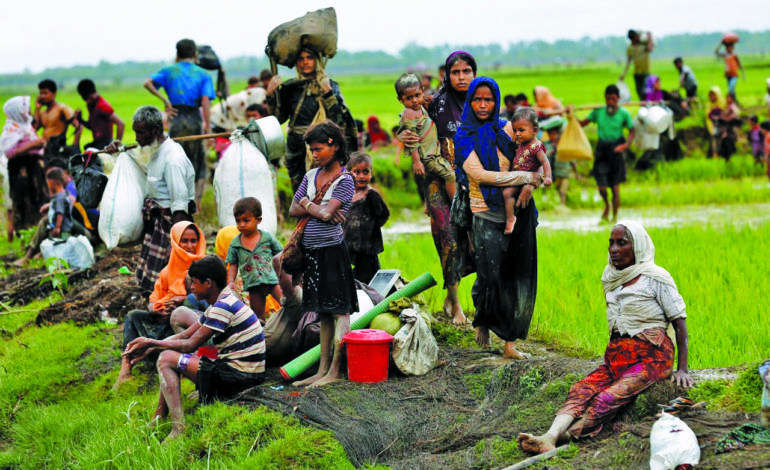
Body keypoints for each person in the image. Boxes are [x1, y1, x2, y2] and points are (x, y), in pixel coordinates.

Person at [517, 221, 693, 454]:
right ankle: (549, 435)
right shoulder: (611, 277)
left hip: (652, 358)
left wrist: (682, 369)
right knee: (581, 389)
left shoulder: (655, 277)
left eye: (622, 243)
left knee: (606, 398)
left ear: (638, 247)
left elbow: (679, 322)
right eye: (611, 243)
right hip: (617, 358)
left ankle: (563, 438)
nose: (614, 249)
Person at [123, 255, 266, 440]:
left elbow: (190, 344)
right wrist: (150, 347)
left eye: (194, 282)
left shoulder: (222, 307)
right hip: (241, 371)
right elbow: (184, 335)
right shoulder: (221, 302)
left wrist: (153, 343)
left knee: (166, 359)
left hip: (241, 376)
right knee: (168, 354)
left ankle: (178, 429)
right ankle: (159, 417)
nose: (191, 287)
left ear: (208, 283)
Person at [454, 76, 543, 358]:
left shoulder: (508, 128)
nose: (483, 105)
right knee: (490, 275)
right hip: (485, 212)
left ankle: (509, 343)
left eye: (489, 99)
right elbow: (480, 176)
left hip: (519, 210)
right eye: (477, 99)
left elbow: (535, 156)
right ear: (470, 102)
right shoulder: (463, 136)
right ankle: (482, 319)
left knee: (517, 276)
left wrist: (530, 184)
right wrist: (525, 177)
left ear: (496, 101)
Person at [288, 121, 357, 387]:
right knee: (323, 312)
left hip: (332, 251)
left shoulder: (345, 180)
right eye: (312, 150)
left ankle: (335, 371)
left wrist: (308, 203)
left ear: (334, 146)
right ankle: (322, 369)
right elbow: (293, 209)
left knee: (339, 311)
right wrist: (317, 207)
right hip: (312, 252)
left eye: (318, 149)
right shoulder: (310, 175)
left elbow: (327, 214)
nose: (314, 154)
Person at [412, 51, 478, 326]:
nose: (461, 77)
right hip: (438, 180)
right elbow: (416, 138)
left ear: (474, 73)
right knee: (447, 238)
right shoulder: (434, 104)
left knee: (473, 238)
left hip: (473, 178)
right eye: (456, 72)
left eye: (466, 71)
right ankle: (456, 304)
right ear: (447, 76)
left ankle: (454, 297)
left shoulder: (482, 102)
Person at [103, 106, 196, 292]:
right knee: (150, 280)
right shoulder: (153, 150)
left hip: (170, 224)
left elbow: (180, 204)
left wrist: (177, 243)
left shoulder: (173, 158)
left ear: (156, 130)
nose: (137, 137)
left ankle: (171, 309)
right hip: (157, 223)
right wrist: (119, 150)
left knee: (168, 279)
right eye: (135, 132)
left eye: (141, 132)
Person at [113, 221, 206, 388]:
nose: (189, 246)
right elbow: (154, 299)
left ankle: (188, 362)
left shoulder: (205, 266)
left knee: (189, 302)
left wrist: (182, 299)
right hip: (166, 330)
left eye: (193, 241)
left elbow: (209, 299)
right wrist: (157, 310)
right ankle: (126, 366)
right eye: (184, 241)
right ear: (175, 242)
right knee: (133, 316)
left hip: (192, 330)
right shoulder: (167, 272)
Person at [266, 49, 358, 192]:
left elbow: (339, 119)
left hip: (323, 143)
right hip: (297, 147)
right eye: (301, 58)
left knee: (325, 189)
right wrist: (271, 94)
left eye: (309, 57)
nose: (305, 62)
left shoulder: (330, 85)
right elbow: (278, 118)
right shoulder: (290, 88)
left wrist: (328, 94)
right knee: (299, 190)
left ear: (317, 61)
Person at [145, 38, 215, 206]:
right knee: (197, 163)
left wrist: (165, 100)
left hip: (175, 119)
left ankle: (177, 202)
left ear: (177, 53)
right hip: (194, 119)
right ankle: (196, 205)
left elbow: (147, 83)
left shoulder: (168, 71)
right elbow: (205, 101)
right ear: (195, 54)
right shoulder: (203, 74)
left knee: (175, 158)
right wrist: (208, 128)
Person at [396, 73, 456, 214]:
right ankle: (455, 204)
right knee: (450, 175)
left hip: (430, 153)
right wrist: (416, 161)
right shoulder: (410, 113)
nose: (414, 100)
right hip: (428, 156)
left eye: (417, 95)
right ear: (400, 99)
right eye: (409, 98)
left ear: (422, 91)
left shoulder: (419, 108)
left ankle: (428, 204)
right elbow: (411, 140)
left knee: (431, 177)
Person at [577, 84, 635, 223]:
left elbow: (632, 130)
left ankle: (614, 217)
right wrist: (570, 116)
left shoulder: (624, 114)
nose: (610, 102)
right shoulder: (598, 112)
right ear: (605, 98)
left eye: (613, 99)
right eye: (608, 99)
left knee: (615, 189)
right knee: (602, 187)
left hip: (616, 151)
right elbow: (582, 123)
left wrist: (625, 145)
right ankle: (607, 205)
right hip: (602, 151)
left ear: (618, 98)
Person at [226, 197, 283, 324]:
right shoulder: (235, 243)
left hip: (272, 280)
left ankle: (295, 327)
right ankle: (262, 334)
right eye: (238, 221)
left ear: (258, 220)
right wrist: (231, 281)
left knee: (286, 304)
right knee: (258, 316)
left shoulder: (267, 238)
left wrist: (285, 274)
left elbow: (280, 255)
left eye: (246, 220)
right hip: (253, 284)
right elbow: (233, 264)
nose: (241, 224)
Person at [0, 96, 49, 234]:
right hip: (21, 171)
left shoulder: (25, 126)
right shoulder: (11, 130)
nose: (29, 111)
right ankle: (25, 233)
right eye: (26, 108)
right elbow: (9, 152)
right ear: (18, 111)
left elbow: (35, 124)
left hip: (34, 168)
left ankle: (38, 231)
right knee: (24, 201)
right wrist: (33, 145)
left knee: (38, 198)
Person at [343, 152, 390, 284]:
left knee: (370, 278)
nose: (361, 176)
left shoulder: (371, 195)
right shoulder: (346, 195)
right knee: (350, 279)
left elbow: (383, 215)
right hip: (349, 245)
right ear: (348, 173)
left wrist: (369, 228)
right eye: (357, 172)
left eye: (365, 172)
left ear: (371, 173)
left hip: (367, 248)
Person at [503, 108, 552, 234]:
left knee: (524, 196)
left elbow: (545, 162)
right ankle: (510, 218)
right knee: (507, 193)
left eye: (521, 130)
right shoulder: (521, 144)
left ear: (534, 131)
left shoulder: (536, 147)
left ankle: (520, 218)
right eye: (515, 130)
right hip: (517, 179)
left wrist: (548, 177)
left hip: (530, 180)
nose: (517, 134)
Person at [33, 79, 79, 160]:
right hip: (45, 150)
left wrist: (75, 147)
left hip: (58, 150)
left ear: (54, 93)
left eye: (45, 93)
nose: (42, 96)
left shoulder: (62, 109)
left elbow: (78, 126)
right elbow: (33, 129)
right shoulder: (42, 113)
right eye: (41, 93)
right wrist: (37, 109)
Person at [73, 79, 124, 150]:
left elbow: (121, 124)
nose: (87, 101)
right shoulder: (91, 105)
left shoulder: (102, 106)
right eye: (86, 99)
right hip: (97, 142)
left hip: (106, 142)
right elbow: (92, 126)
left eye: (89, 98)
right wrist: (80, 119)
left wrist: (116, 145)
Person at [543, 119, 578, 206]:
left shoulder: (564, 145)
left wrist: (576, 173)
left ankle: (562, 206)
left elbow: (572, 161)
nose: (552, 136)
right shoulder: (547, 145)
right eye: (550, 134)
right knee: (554, 190)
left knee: (562, 191)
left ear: (558, 134)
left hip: (564, 173)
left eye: (554, 134)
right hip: (554, 173)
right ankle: (552, 204)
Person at [620, 30, 654, 101]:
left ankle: (647, 103)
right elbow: (629, 61)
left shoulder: (643, 44)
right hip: (636, 72)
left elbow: (650, 49)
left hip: (645, 71)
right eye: (636, 36)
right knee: (639, 90)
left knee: (646, 90)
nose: (638, 37)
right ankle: (643, 103)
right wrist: (624, 73)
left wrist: (649, 38)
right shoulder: (630, 48)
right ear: (633, 38)